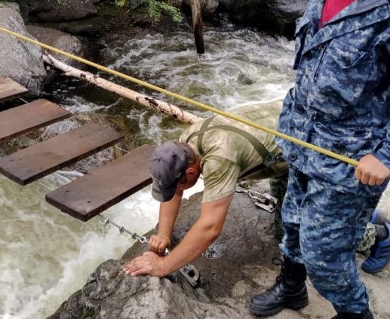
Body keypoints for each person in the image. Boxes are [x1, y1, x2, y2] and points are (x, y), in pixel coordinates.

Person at [249, 0, 390, 319]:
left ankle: (357, 317)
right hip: (302, 138)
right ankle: (291, 288)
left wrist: (384, 155)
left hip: (351, 158)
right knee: (291, 221)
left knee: (326, 253)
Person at [122, 100, 389, 281]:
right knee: (286, 229)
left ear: (191, 173)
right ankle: (365, 217)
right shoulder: (183, 146)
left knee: (316, 234)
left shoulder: (219, 157)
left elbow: (210, 227)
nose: (174, 191)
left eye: (176, 184)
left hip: (313, 145)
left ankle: (379, 235)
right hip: (287, 139)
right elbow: (176, 191)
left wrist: (164, 266)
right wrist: (163, 234)